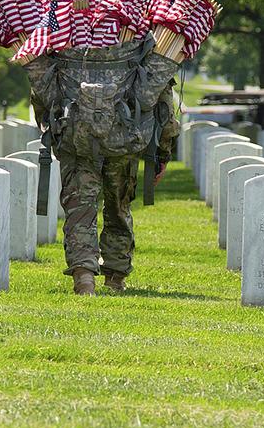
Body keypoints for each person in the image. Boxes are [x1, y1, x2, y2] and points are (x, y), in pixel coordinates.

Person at [26, 40, 180, 295]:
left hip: (76, 139)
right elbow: (161, 101)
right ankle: (115, 276)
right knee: (118, 208)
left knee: (80, 209)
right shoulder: (140, 42)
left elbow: (43, 92)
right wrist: (163, 150)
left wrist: (54, 134)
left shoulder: (62, 39)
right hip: (125, 138)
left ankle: (84, 277)